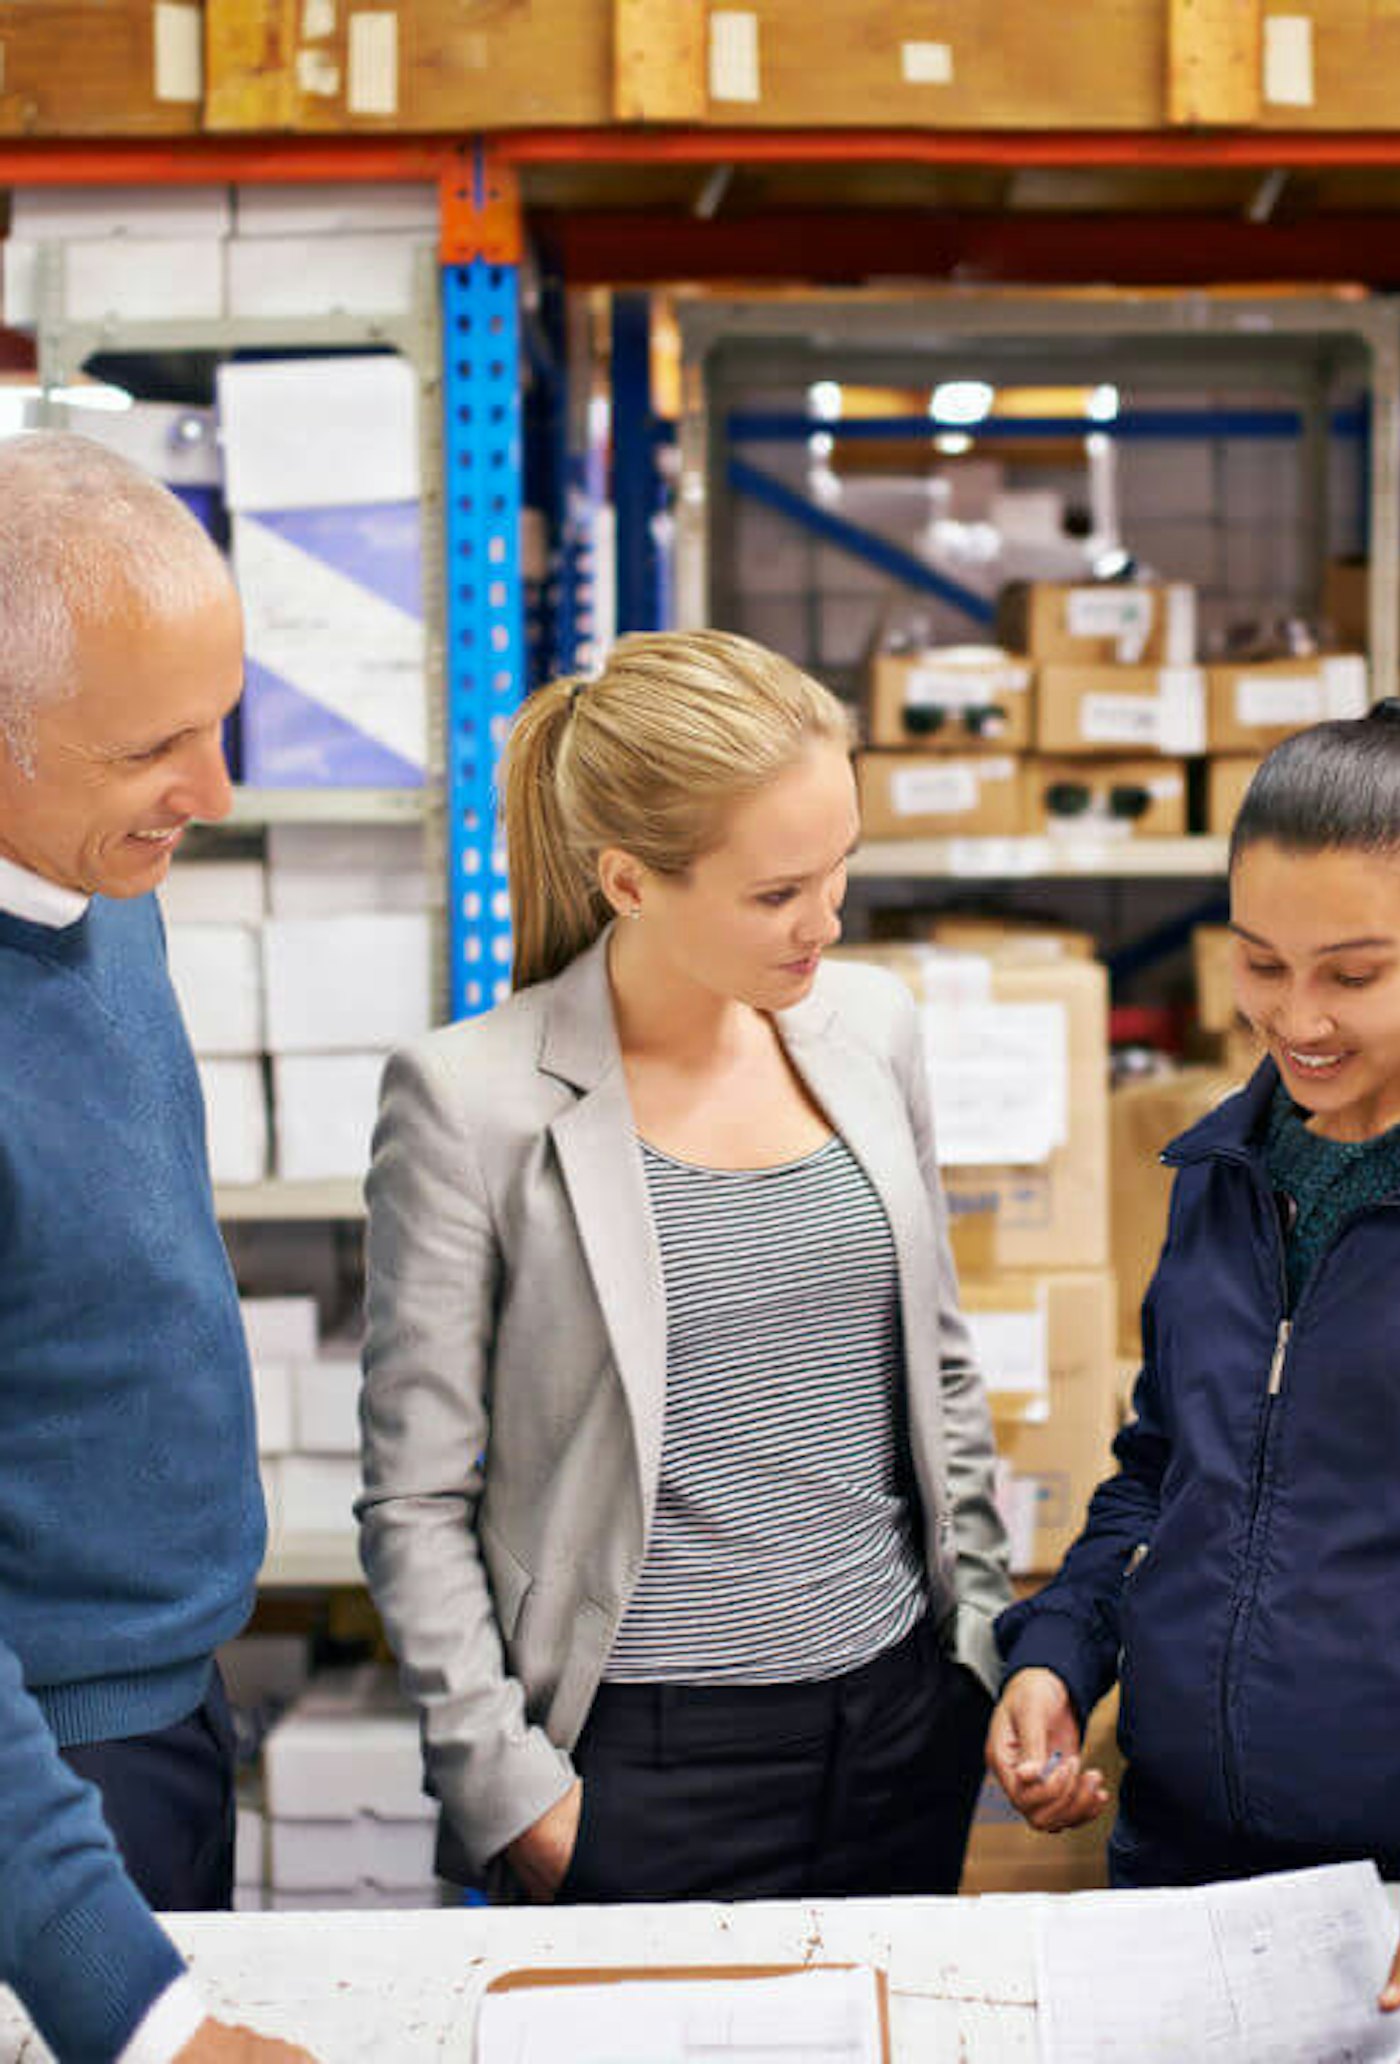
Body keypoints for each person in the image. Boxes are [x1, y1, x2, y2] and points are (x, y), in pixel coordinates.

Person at [358, 628, 1011, 1905]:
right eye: (776, 895)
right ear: (629, 880)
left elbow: (934, 1368)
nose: (823, 922)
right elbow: (414, 1499)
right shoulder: (468, 1100)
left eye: (839, 871)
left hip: (894, 1727)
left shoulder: (870, 1028)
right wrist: (512, 1790)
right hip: (641, 1763)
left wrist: (975, 1646)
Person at [986, 701, 1400, 2008]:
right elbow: (1159, 1477)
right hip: (1181, 1868)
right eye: (1261, 962)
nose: (1298, 1017)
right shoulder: (1223, 1172)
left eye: (1355, 972)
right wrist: (1058, 1655)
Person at [0, 433, 316, 2064]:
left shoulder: (97, 876)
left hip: (168, 1692)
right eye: (153, 747)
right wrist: (133, 2008)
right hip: (39, 1774)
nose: (217, 791)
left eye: (223, 716)